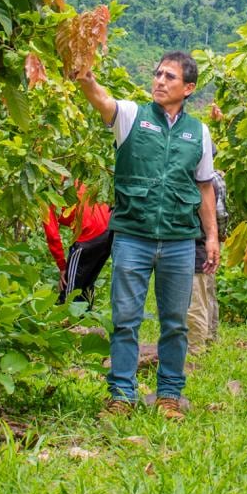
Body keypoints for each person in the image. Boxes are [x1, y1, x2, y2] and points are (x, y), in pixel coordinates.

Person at [74, 51, 219, 420]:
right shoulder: (131, 116)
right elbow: (102, 100)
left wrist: (212, 237)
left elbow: (204, 188)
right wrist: (87, 79)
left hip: (179, 240)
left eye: (170, 77)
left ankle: (169, 395)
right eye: (157, 74)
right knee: (126, 317)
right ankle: (121, 394)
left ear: (189, 88)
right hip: (133, 236)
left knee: (175, 321)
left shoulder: (197, 132)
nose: (159, 81)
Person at [43, 181, 112, 307]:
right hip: (109, 229)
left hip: (89, 234)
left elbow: (52, 235)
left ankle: (67, 317)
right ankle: (86, 319)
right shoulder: (70, 179)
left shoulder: (45, 196)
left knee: (70, 286)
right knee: (87, 282)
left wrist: (63, 267)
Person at [187, 167, 227, 351]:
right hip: (202, 245)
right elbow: (221, 215)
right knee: (206, 293)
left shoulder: (211, 180)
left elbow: (218, 214)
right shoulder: (216, 177)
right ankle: (209, 338)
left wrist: (215, 238)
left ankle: (196, 349)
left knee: (197, 300)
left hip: (198, 245)